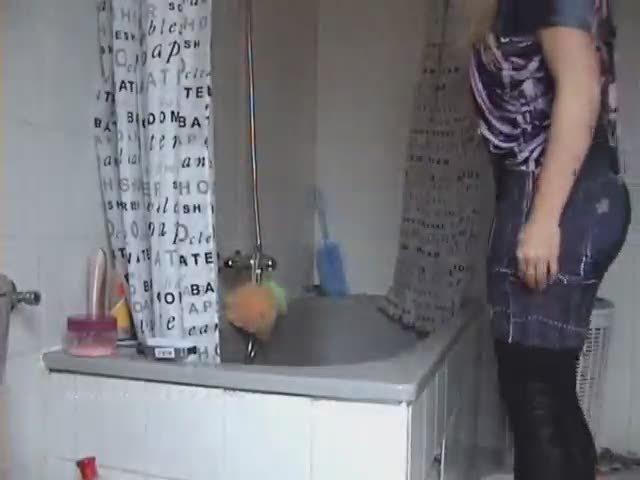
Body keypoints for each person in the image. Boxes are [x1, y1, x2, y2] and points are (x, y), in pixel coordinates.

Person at [469, 0, 631, 478]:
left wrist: (541, 220)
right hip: (576, 196)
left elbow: (580, 87)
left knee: (532, 393)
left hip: (552, 198)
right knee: (549, 388)